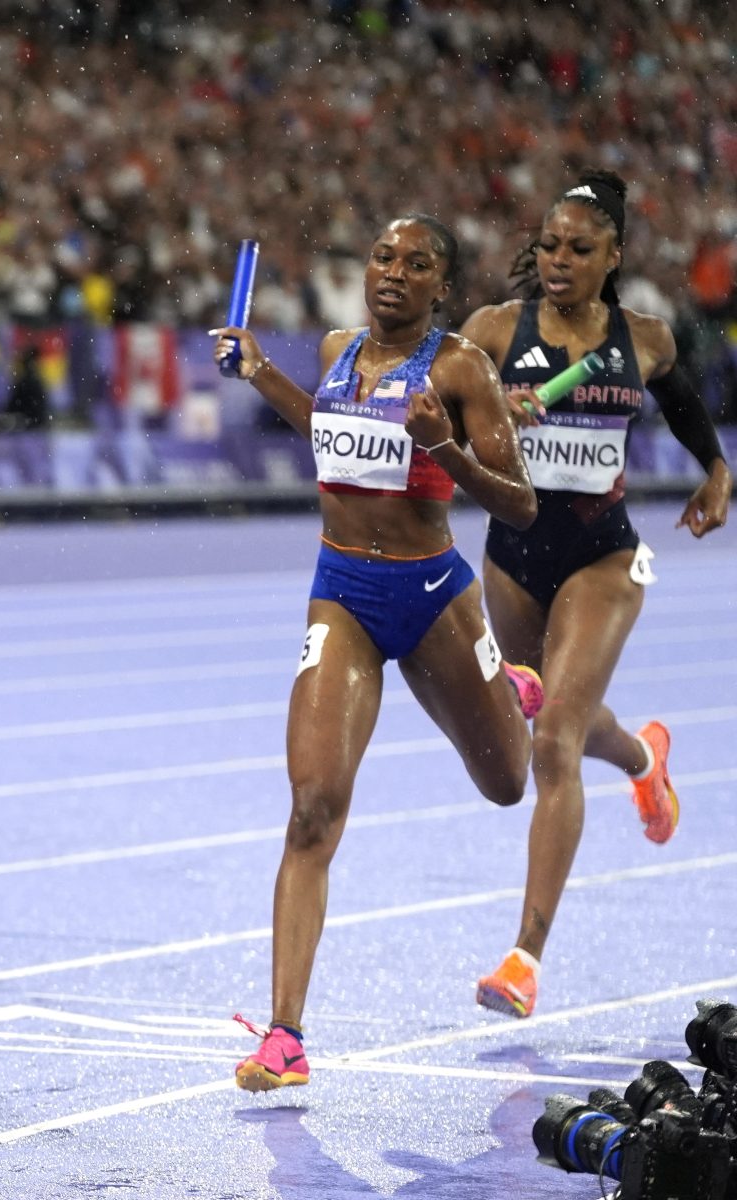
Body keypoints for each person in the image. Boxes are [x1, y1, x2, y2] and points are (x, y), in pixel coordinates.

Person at [210, 215, 544, 1093]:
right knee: (312, 809)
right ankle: (285, 1037)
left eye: (418, 264)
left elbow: (521, 507)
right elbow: (326, 424)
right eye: (384, 257)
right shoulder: (333, 349)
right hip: (343, 594)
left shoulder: (461, 368)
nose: (394, 273)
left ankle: (507, 685)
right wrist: (259, 371)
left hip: (434, 598)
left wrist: (445, 448)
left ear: (443, 287)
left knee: (508, 783)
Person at [459, 170, 730, 1020]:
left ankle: (523, 960)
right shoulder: (493, 332)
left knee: (555, 742)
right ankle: (646, 759)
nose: (560, 260)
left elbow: (687, 410)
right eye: (548, 246)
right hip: (512, 556)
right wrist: (493, 419)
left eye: (580, 249)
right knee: (554, 721)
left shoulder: (643, 338)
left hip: (602, 557)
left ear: (613, 255)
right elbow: (441, 426)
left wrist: (718, 471)